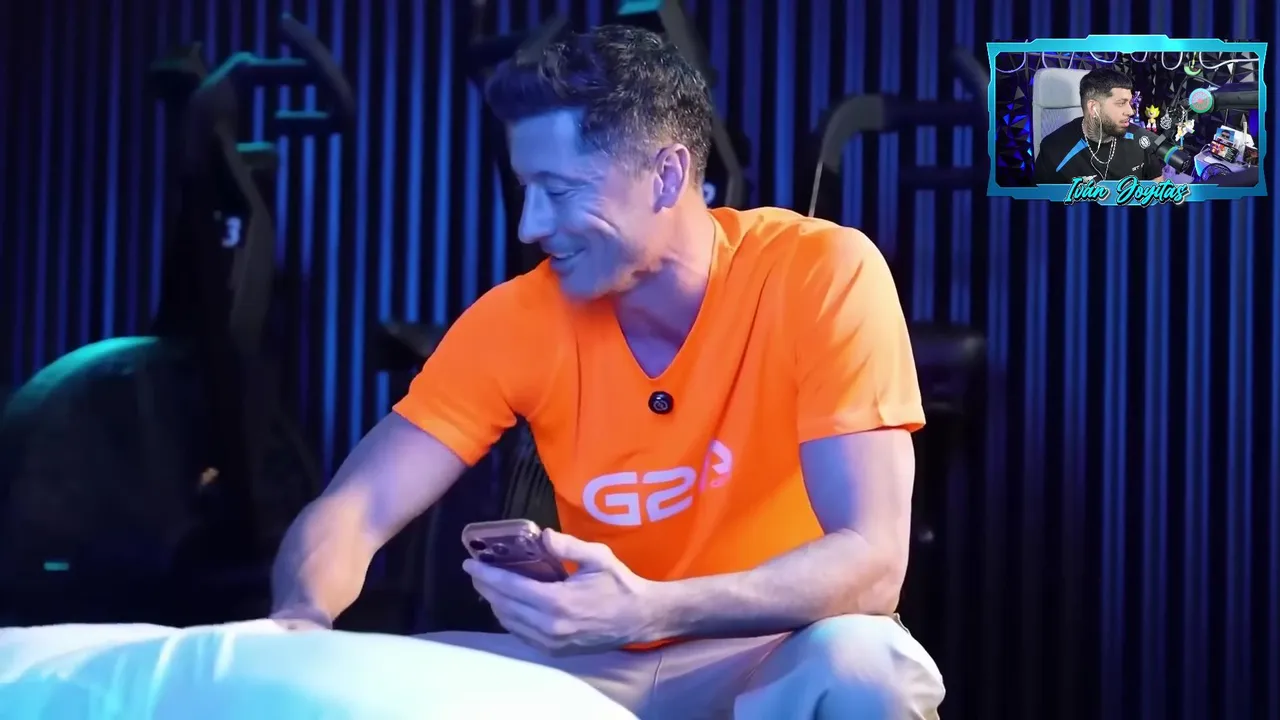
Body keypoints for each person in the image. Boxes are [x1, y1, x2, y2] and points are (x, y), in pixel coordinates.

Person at [269, 24, 945, 720]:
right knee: (354, 680)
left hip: (768, 651)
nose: (530, 226)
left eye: (559, 191)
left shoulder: (819, 272)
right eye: (526, 189)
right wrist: (300, 622)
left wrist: (653, 608)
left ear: (667, 175)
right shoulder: (516, 319)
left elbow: (872, 562)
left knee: (866, 667)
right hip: (593, 664)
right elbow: (356, 509)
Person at [1034, 67, 1167, 184]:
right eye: (1121, 103)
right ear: (1094, 108)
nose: (1130, 111)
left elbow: (1157, 182)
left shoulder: (1141, 139)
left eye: (1130, 103)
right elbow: (1041, 201)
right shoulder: (1053, 150)